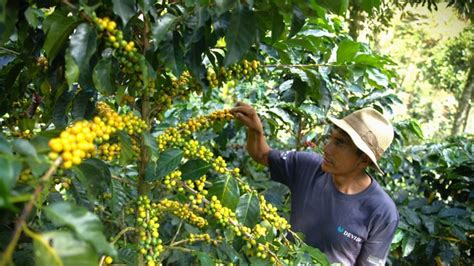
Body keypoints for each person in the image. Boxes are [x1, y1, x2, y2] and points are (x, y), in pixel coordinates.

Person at [231, 102, 399, 266]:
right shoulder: (308, 166)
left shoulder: (382, 212)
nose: (327, 148)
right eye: (331, 138)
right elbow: (261, 154)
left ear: (364, 160)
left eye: (339, 143)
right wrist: (256, 130)